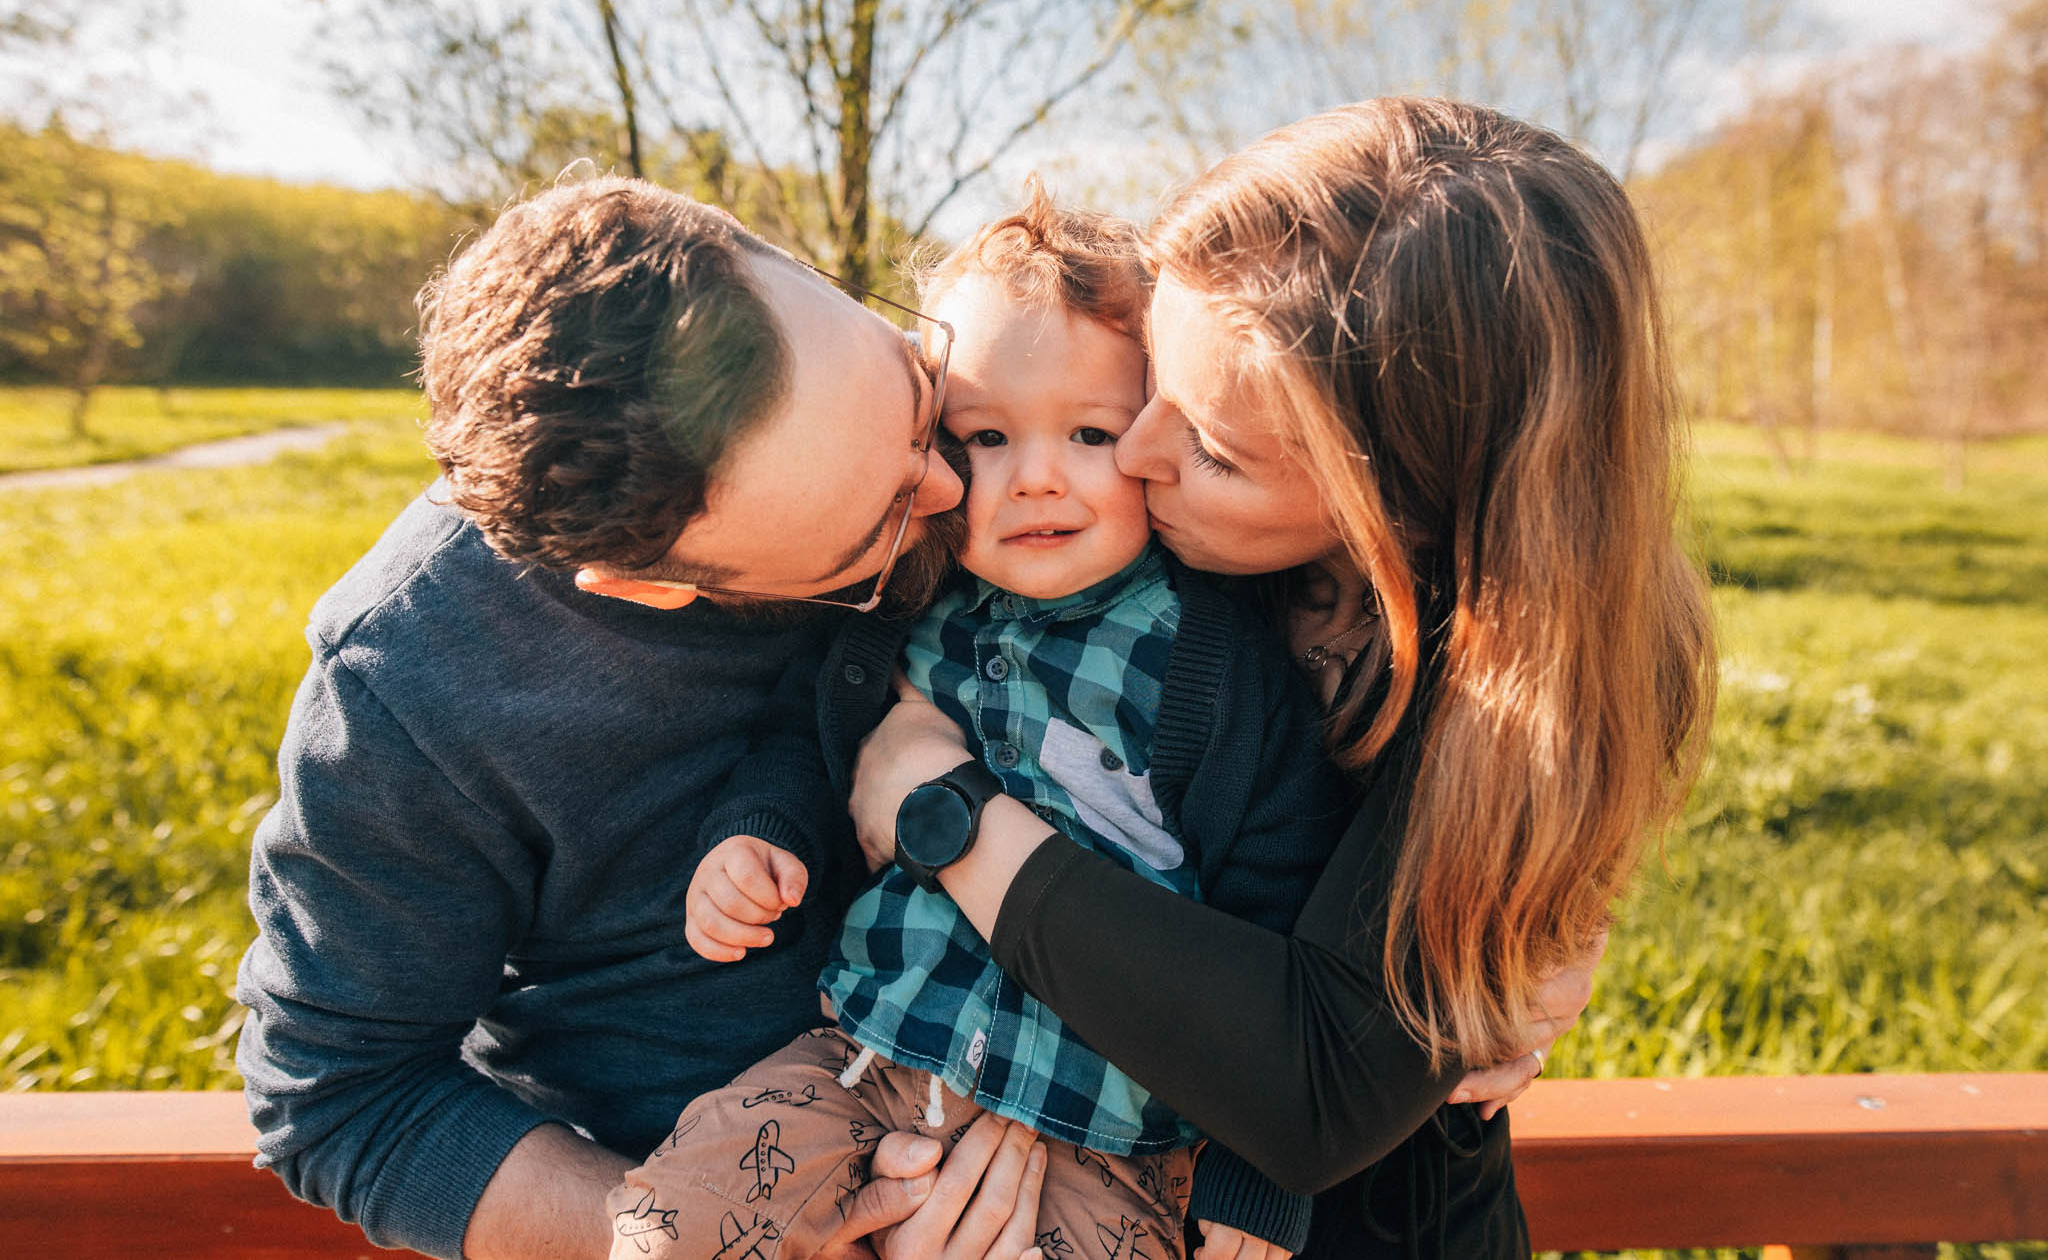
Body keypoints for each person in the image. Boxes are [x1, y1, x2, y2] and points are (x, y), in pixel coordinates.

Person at [844, 98, 1719, 1258]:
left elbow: (1314, 1088)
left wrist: (941, 812)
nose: (1138, 455)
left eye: (1209, 446)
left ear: (1397, 507)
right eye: (1155, 377)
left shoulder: (1535, 689)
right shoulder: (1138, 527)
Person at [234, 177, 1050, 1260]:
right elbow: (345, 1099)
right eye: (878, 532)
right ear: (649, 586)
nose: (956, 486)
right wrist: (698, 1238)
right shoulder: (408, 691)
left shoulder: (975, 438)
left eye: (911, 384)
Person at [606, 187, 1343, 1260]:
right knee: (667, 1236)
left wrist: (1259, 1178)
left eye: (1090, 432)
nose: (1034, 476)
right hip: (868, 1062)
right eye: (984, 437)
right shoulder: (898, 610)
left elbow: (1281, 911)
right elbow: (802, 746)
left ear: (1156, 435)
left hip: (1114, 1140)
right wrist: (757, 833)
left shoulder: (1214, 663)